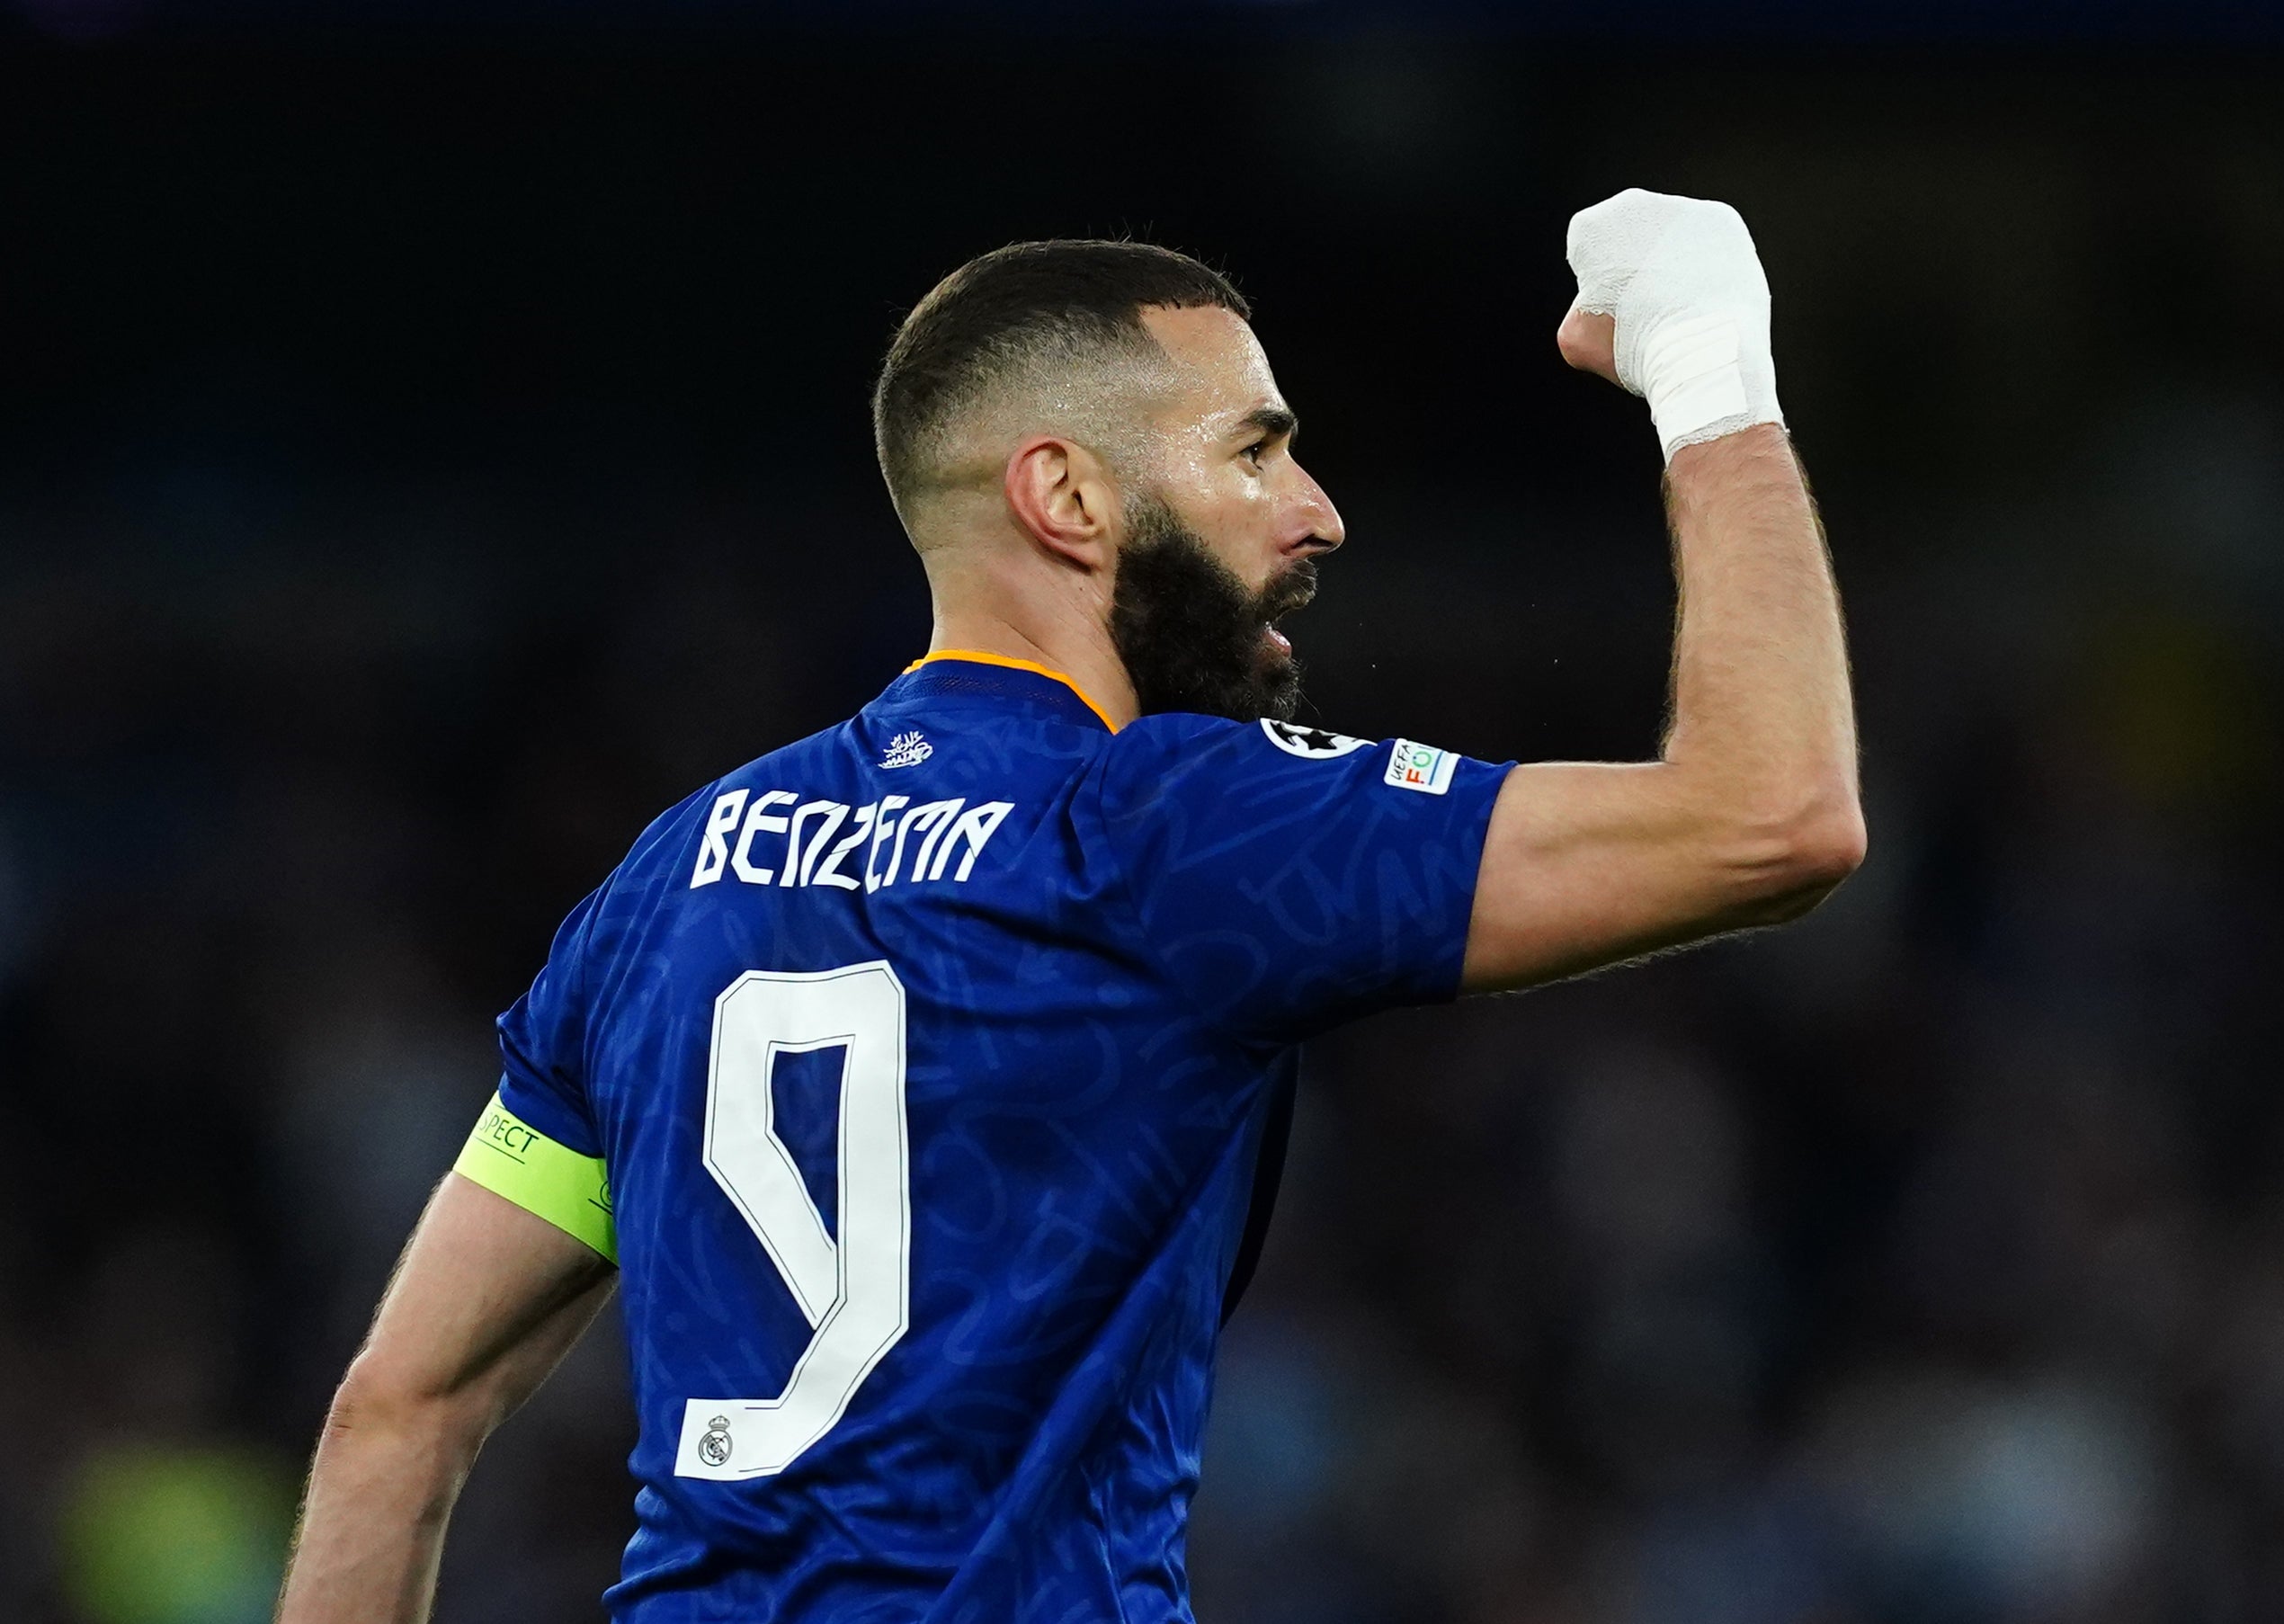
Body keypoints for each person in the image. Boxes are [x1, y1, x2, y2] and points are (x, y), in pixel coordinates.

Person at [275, 189, 1863, 1622]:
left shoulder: (668, 877)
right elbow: (1772, 816)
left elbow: (394, 1415)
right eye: (1253, 448)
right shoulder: (1161, 824)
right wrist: (1709, 357)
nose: (1314, 510)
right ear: (1068, 498)